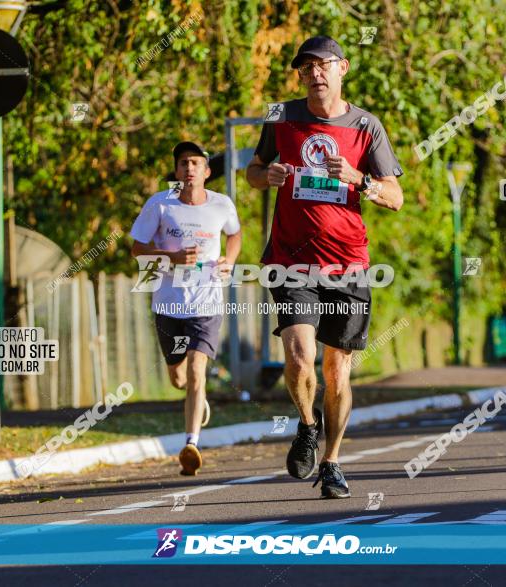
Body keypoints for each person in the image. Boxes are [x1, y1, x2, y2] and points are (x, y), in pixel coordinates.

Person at [246, 36, 404, 498]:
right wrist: (264, 177)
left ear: (343, 69)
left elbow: (395, 197)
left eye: (323, 65)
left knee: (337, 371)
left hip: (349, 262)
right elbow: (253, 170)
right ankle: (307, 425)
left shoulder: (366, 127)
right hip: (292, 259)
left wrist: (359, 180)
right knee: (298, 356)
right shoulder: (281, 116)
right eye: (306, 67)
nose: (314, 73)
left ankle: (332, 461)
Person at [130, 141, 242, 475]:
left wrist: (230, 260)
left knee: (196, 372)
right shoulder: (160, 205)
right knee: (179, 378)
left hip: (206, 303)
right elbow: (137, 249)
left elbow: (235, 235)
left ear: (207, 171)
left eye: (195, 163)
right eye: (182, 163)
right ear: (176, 172)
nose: (188, 168)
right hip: (168, 304)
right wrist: (171, 258)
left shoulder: (222, 204)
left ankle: (191, 445)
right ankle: (198, 398)